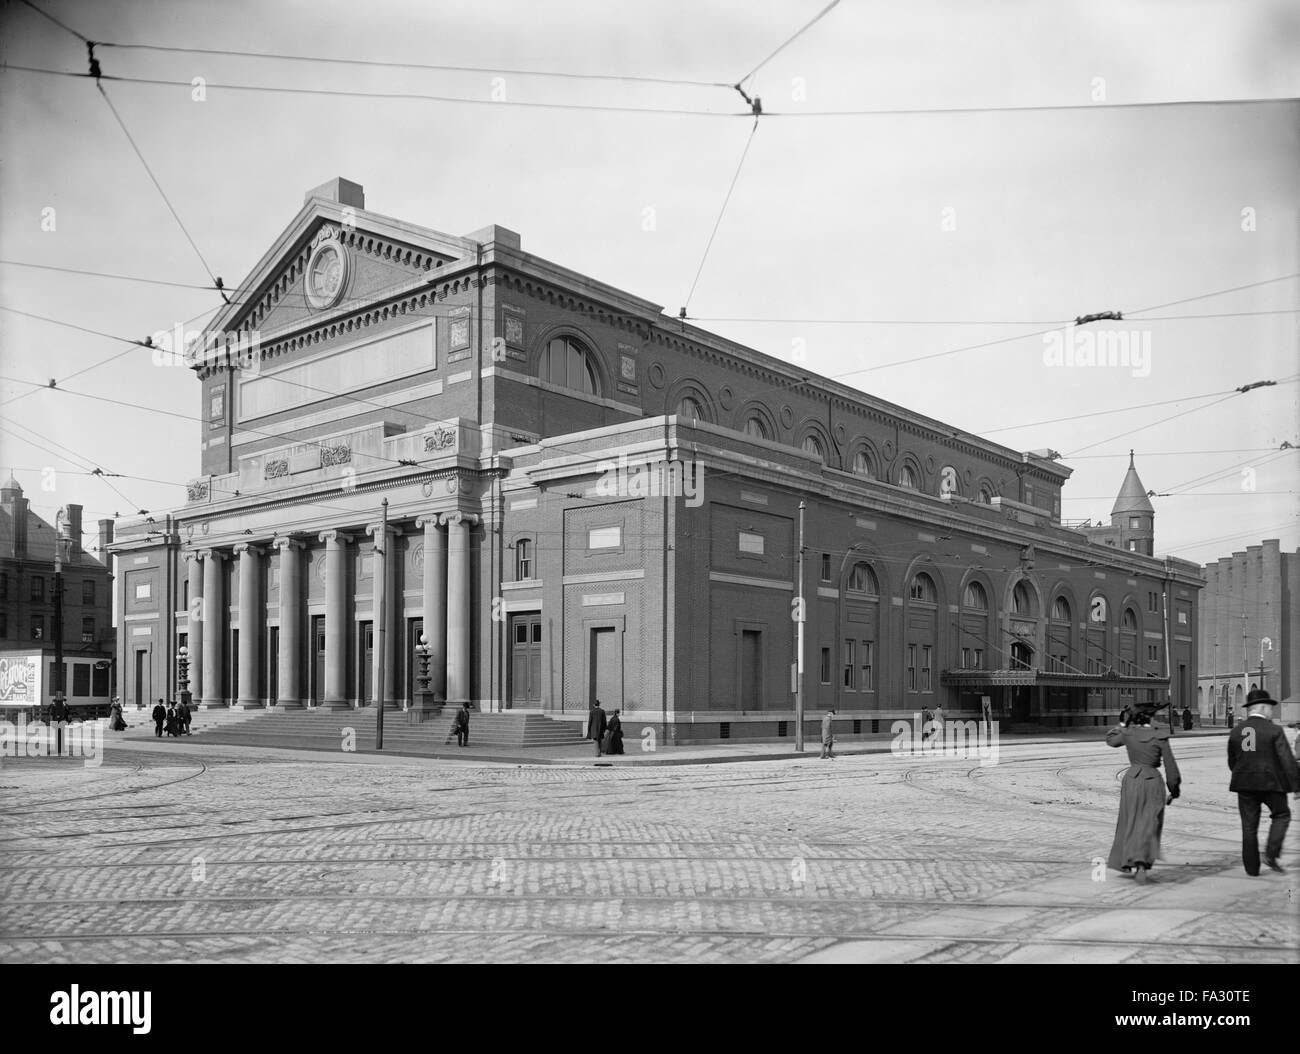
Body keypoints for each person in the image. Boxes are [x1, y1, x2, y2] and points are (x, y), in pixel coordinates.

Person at [1106, 703, 1181, 883]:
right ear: (1149, 717)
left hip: (1131, 780)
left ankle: (1127, 859)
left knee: (1130, 820)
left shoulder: (1128, 733)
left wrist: (1123, 725)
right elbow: (1171, 767)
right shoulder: (1160, 736)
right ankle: (1142, 862)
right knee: (1150, 823)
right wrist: (1174, 790)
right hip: (1152, 781)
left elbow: (1111, 740)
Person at [1227, 689, 1300, 876]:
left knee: (1249, 826)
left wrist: (1243, 773)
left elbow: (1232, 761)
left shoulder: (1236, 731)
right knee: (1282, 814)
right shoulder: (1274, 730)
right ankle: (1271, 853)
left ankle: (1252, 869)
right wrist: (1296, 785)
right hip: (1272, 783)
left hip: (1245, 784)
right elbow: (1287, 760)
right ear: (1262, 707)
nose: (1271, 712)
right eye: (1270, 708)